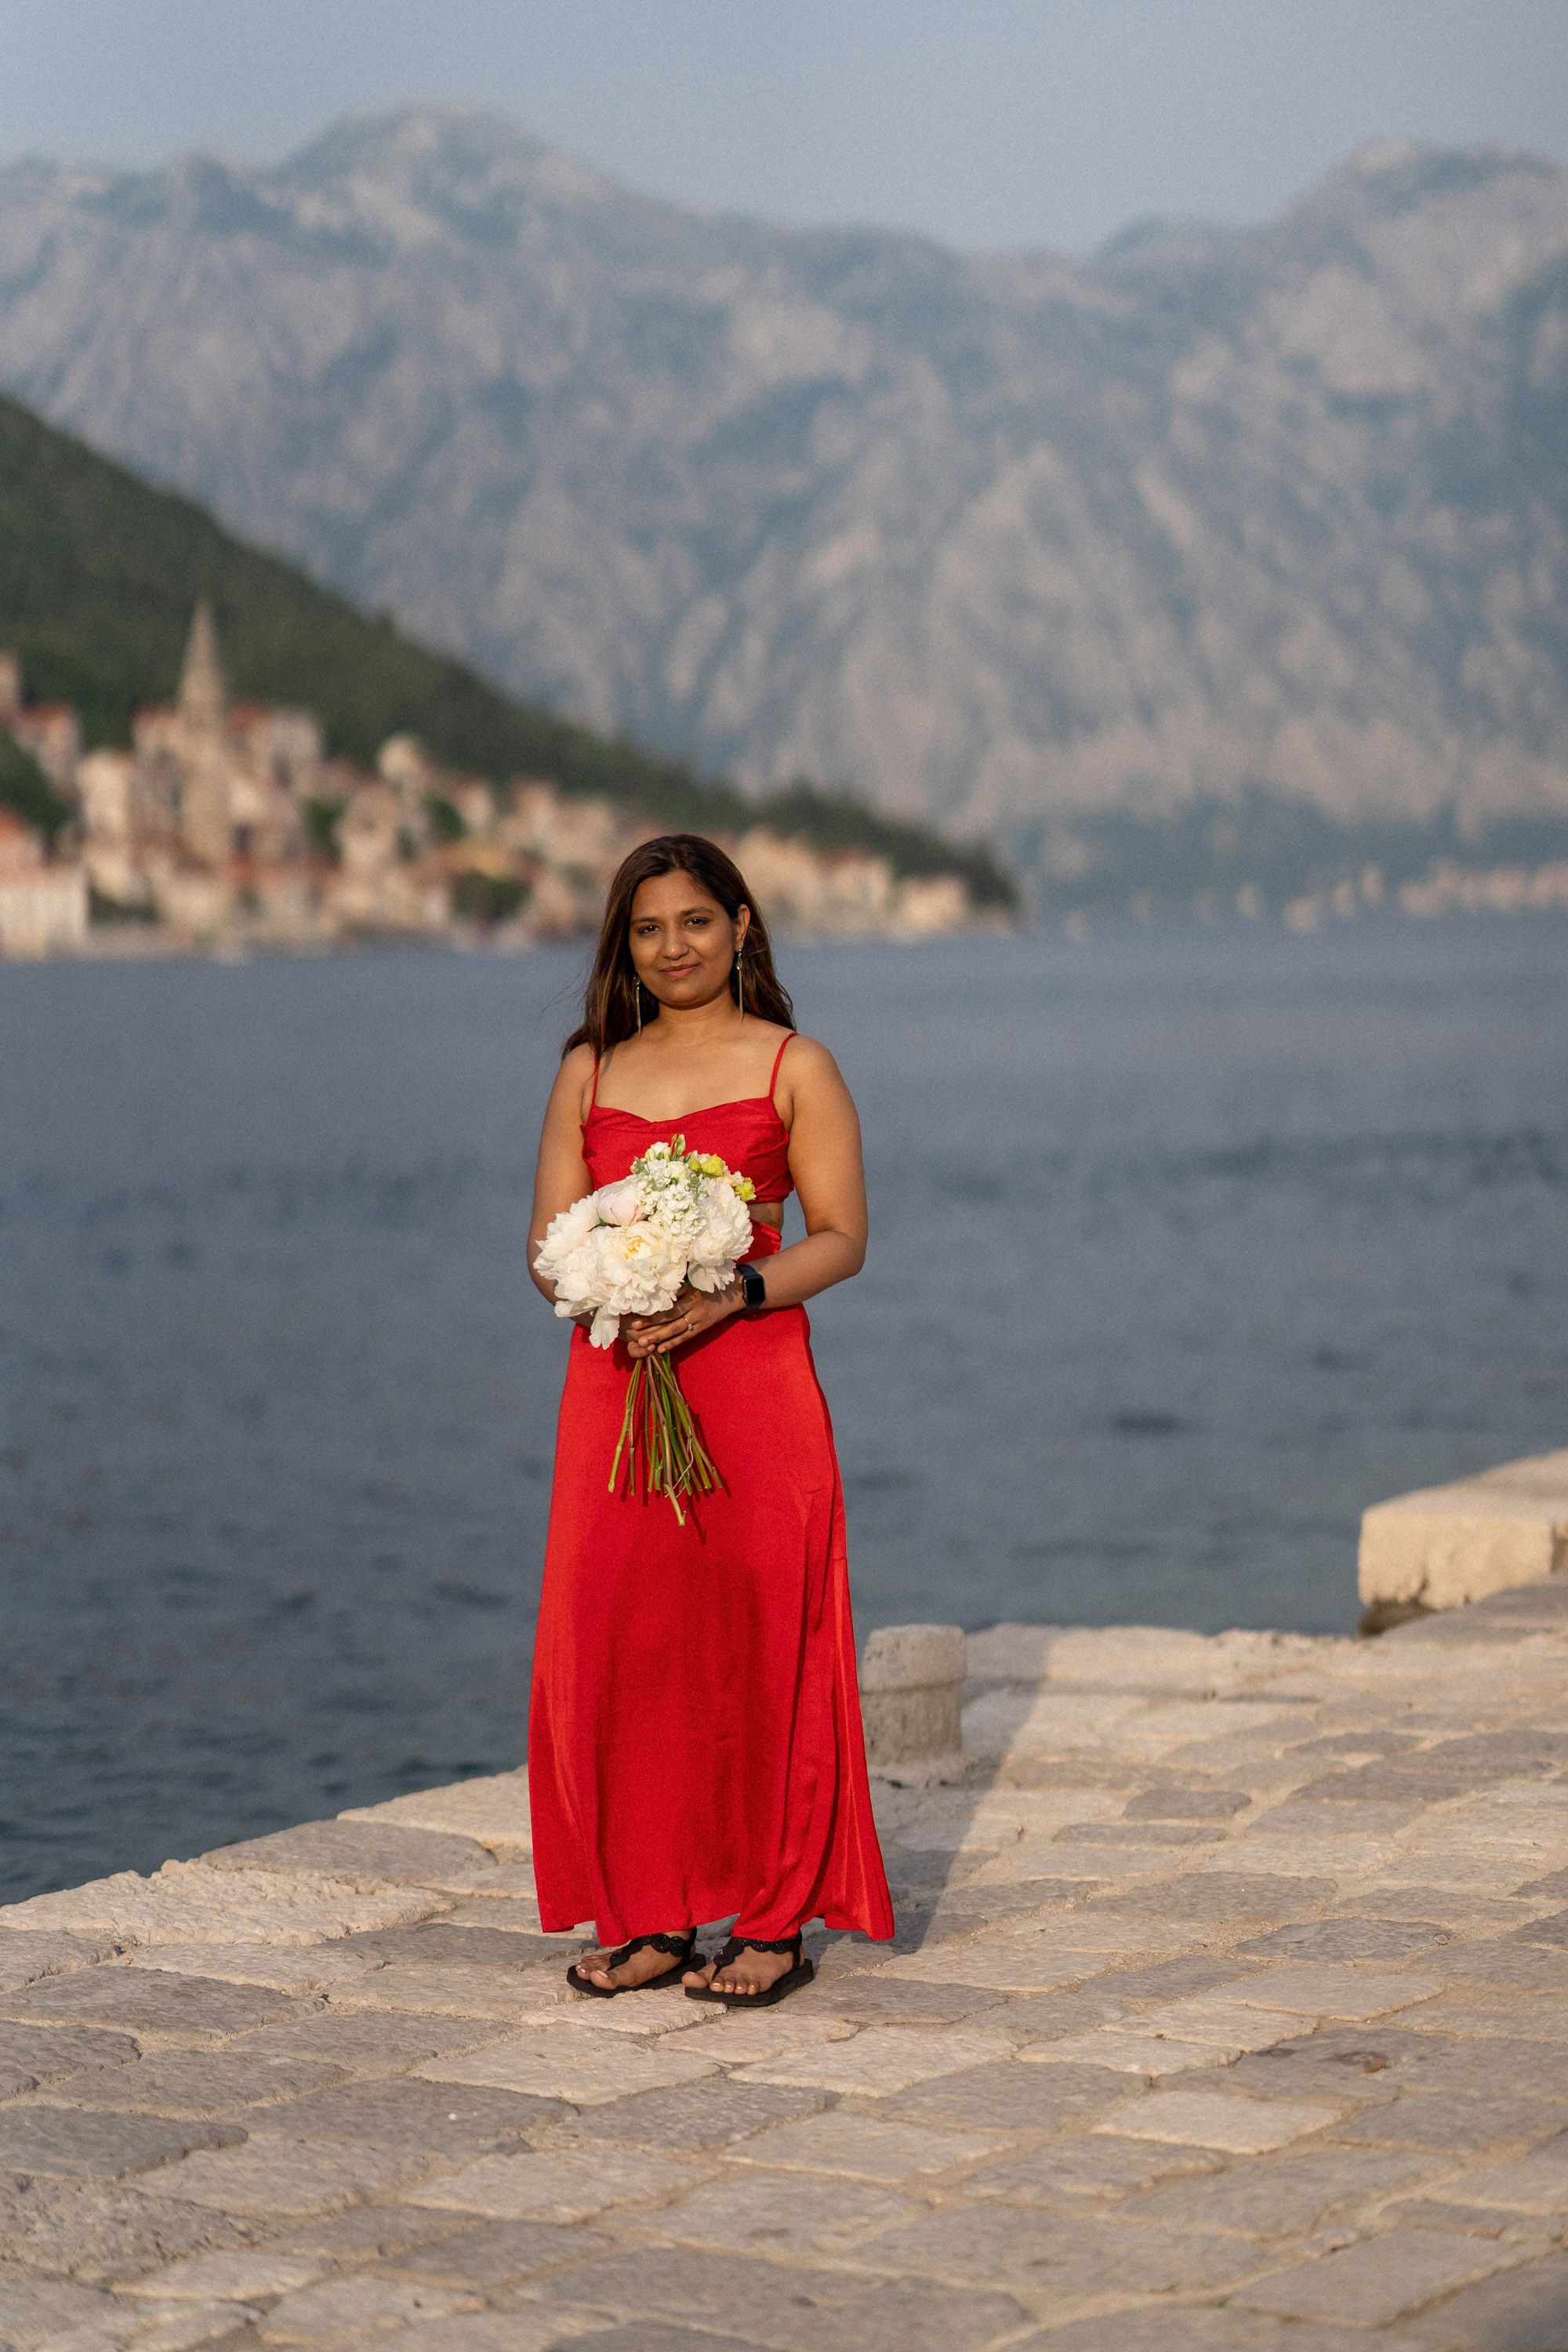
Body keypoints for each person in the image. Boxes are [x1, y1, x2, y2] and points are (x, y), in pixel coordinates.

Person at [526, 833, 895, 2005]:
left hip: (752, 1383)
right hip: (616, 1388)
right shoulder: (589, 1068)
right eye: (648, 927)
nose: (672, 946)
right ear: (621, 945)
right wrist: (612, 1281)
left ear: (741, 925)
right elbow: (546, 1248)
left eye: (695, 920)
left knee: (762, 1640)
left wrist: (727, 1290)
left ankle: (777, 1921)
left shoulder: (797, 1065)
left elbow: (842, 1238)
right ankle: (650, 1918)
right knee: (621, 1642)